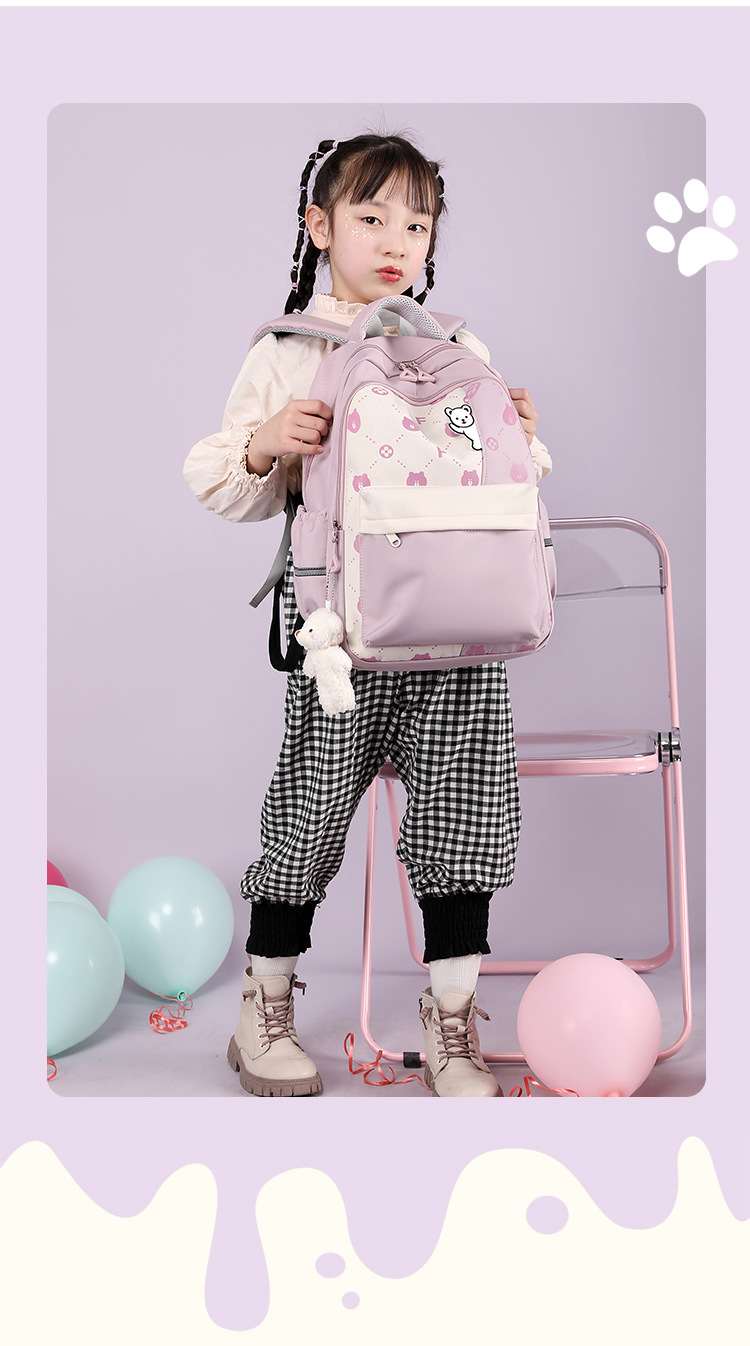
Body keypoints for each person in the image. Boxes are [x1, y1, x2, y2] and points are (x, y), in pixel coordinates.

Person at [183, 133, 552, 1098]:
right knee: (308, 813)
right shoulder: (289, 351)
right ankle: (264, 1005)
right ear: (320, 225)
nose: (397, 242)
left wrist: (517, 432)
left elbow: (503, 490)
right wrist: (267, 444)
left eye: (417, 225)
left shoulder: (457, 349)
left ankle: (452, 1021)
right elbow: (224, 483)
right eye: (372, 217)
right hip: (338, 633)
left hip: (460, 627)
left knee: (464, 815)